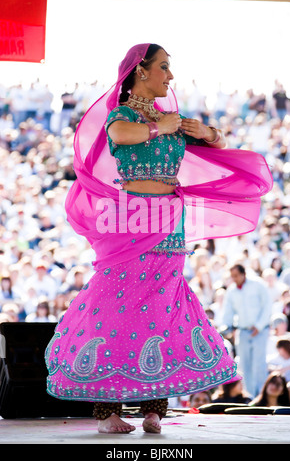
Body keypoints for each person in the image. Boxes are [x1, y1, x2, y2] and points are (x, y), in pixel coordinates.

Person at [45, 43, 272, 435]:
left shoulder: (173, 119)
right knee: (116, 303)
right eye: (163, 67)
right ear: (140, 71)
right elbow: (119, 133)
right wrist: (158, 127)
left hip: (169, 218)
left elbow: (216, 146)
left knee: (163, 305)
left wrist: (208, 132)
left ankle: (155, 408)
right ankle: (106, 410)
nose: (170, 76)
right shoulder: (123, 116)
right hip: (131, 218)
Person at [221, 263, 272, 397]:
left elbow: (267, 305)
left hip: (260, 331)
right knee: (245, 364)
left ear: (243, 274)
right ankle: (249, 396)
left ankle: (262, 396)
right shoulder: (231, 291)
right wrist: (226, 326)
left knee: (259, 364)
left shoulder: (258, 285)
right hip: (243, 330)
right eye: (232, 276)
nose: (234, 278)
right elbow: (228, 311)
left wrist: (260, 325)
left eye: (236, 275)